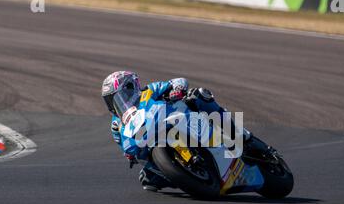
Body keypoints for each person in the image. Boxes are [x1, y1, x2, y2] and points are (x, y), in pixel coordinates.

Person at [101, 70, 248, 191]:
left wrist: (177, 89)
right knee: (147, 180)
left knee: (199, 95)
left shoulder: (149, 91)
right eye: (112, 99)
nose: (118, 101)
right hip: (147, 140)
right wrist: (129, 155)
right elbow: (123, 143)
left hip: (174, 118)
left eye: (121, 95)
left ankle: (236, 134)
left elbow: (178, 81)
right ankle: (186, 175)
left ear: (131, 87)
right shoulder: (117, 123)